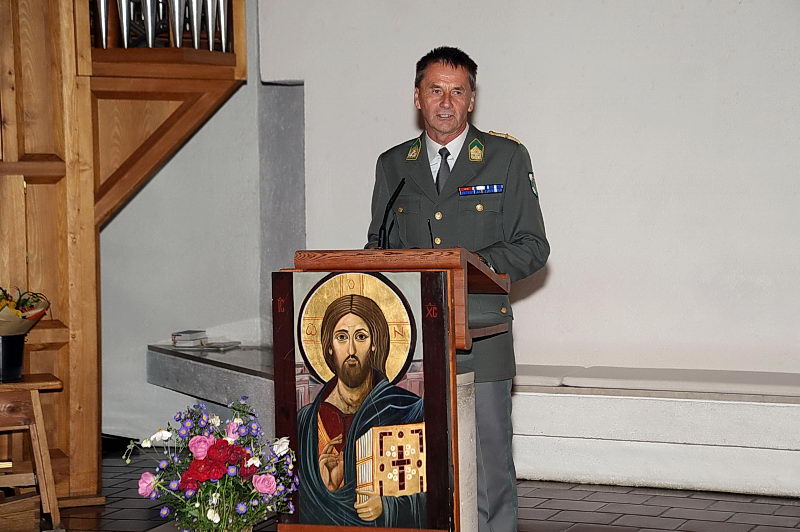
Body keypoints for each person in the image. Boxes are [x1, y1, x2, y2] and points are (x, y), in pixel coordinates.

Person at [366, 46, 549, 531]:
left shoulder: (505, 158)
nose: (445, 102)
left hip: (480, 335)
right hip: (409, 343)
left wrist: (476, 266)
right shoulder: (393, 165)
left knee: (489, 468)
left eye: (457, 91)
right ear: (417, 97)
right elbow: (377, 248)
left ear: (471, 99)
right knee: (408, 466)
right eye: (435, 90)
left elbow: (533, 246)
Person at [296, 294, 426, 527]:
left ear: (374, 343)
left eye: (361, 336)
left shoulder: (405, 410)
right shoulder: (306, 422)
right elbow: (295, 500)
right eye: (342, 337)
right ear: (329, 346)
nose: (351, 349)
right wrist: (326, 488)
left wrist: (387, 506)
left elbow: (433, 491)